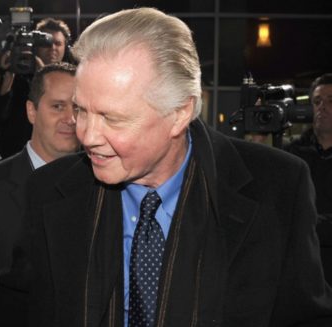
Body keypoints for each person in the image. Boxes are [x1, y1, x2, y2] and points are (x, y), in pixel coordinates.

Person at [21, 7, 332, 326]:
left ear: (179, 113)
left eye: (111, 118)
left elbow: (304, 316)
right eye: (81, 110)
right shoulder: (48, 190)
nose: (86, 135)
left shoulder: (278, 187)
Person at [0, 61, 79, 326]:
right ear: (31, 111)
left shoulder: (105, 185)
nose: (70, 119)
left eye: (78, 108)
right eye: (58, 106)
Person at [0, 17, 76, 160]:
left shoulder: (75, 79)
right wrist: (7, 78)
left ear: (66, 47)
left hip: (61, 158)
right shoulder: (17, 74)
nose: (52, 48)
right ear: (35, 46)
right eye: (47, 43)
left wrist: (43, 74)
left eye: (58, 43)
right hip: (15, 157)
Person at [284, 73, 332, 284]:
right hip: (302, 271)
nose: (322, 107)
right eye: (317, 101)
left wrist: (306, 225)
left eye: (331, 101)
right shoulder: (292, 154)